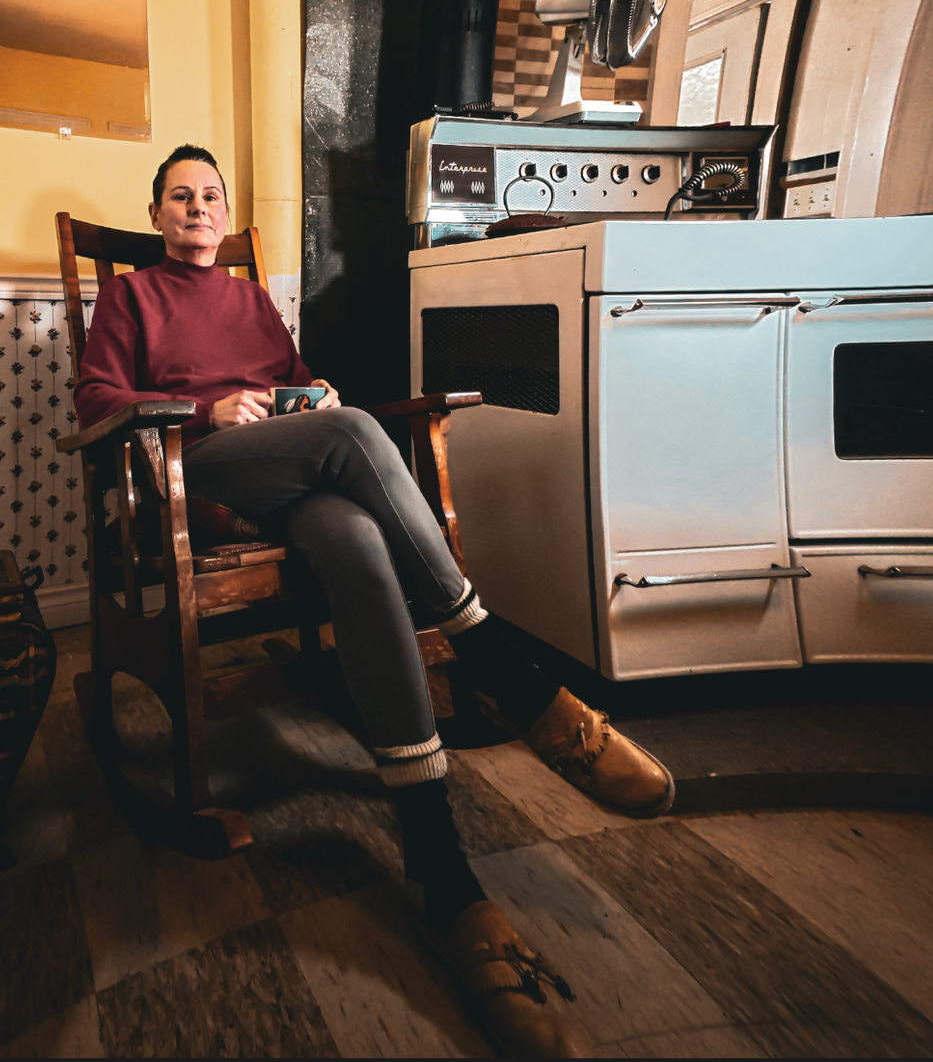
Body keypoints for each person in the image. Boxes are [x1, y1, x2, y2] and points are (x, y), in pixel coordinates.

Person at [74, 144, 676, 1057]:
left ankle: (438, 868)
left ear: (223, 210)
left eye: (210, 196)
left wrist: (304, 392)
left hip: (281, 471)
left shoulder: (247, 297)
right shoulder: (131, 298)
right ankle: (496, 661)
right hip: (190, 472)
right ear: (156, 214)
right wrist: (207, 412)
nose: (197, 208)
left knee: (355, 536)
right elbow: (95, 402)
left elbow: (294, 380)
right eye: (179, 197)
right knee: (355, 433)